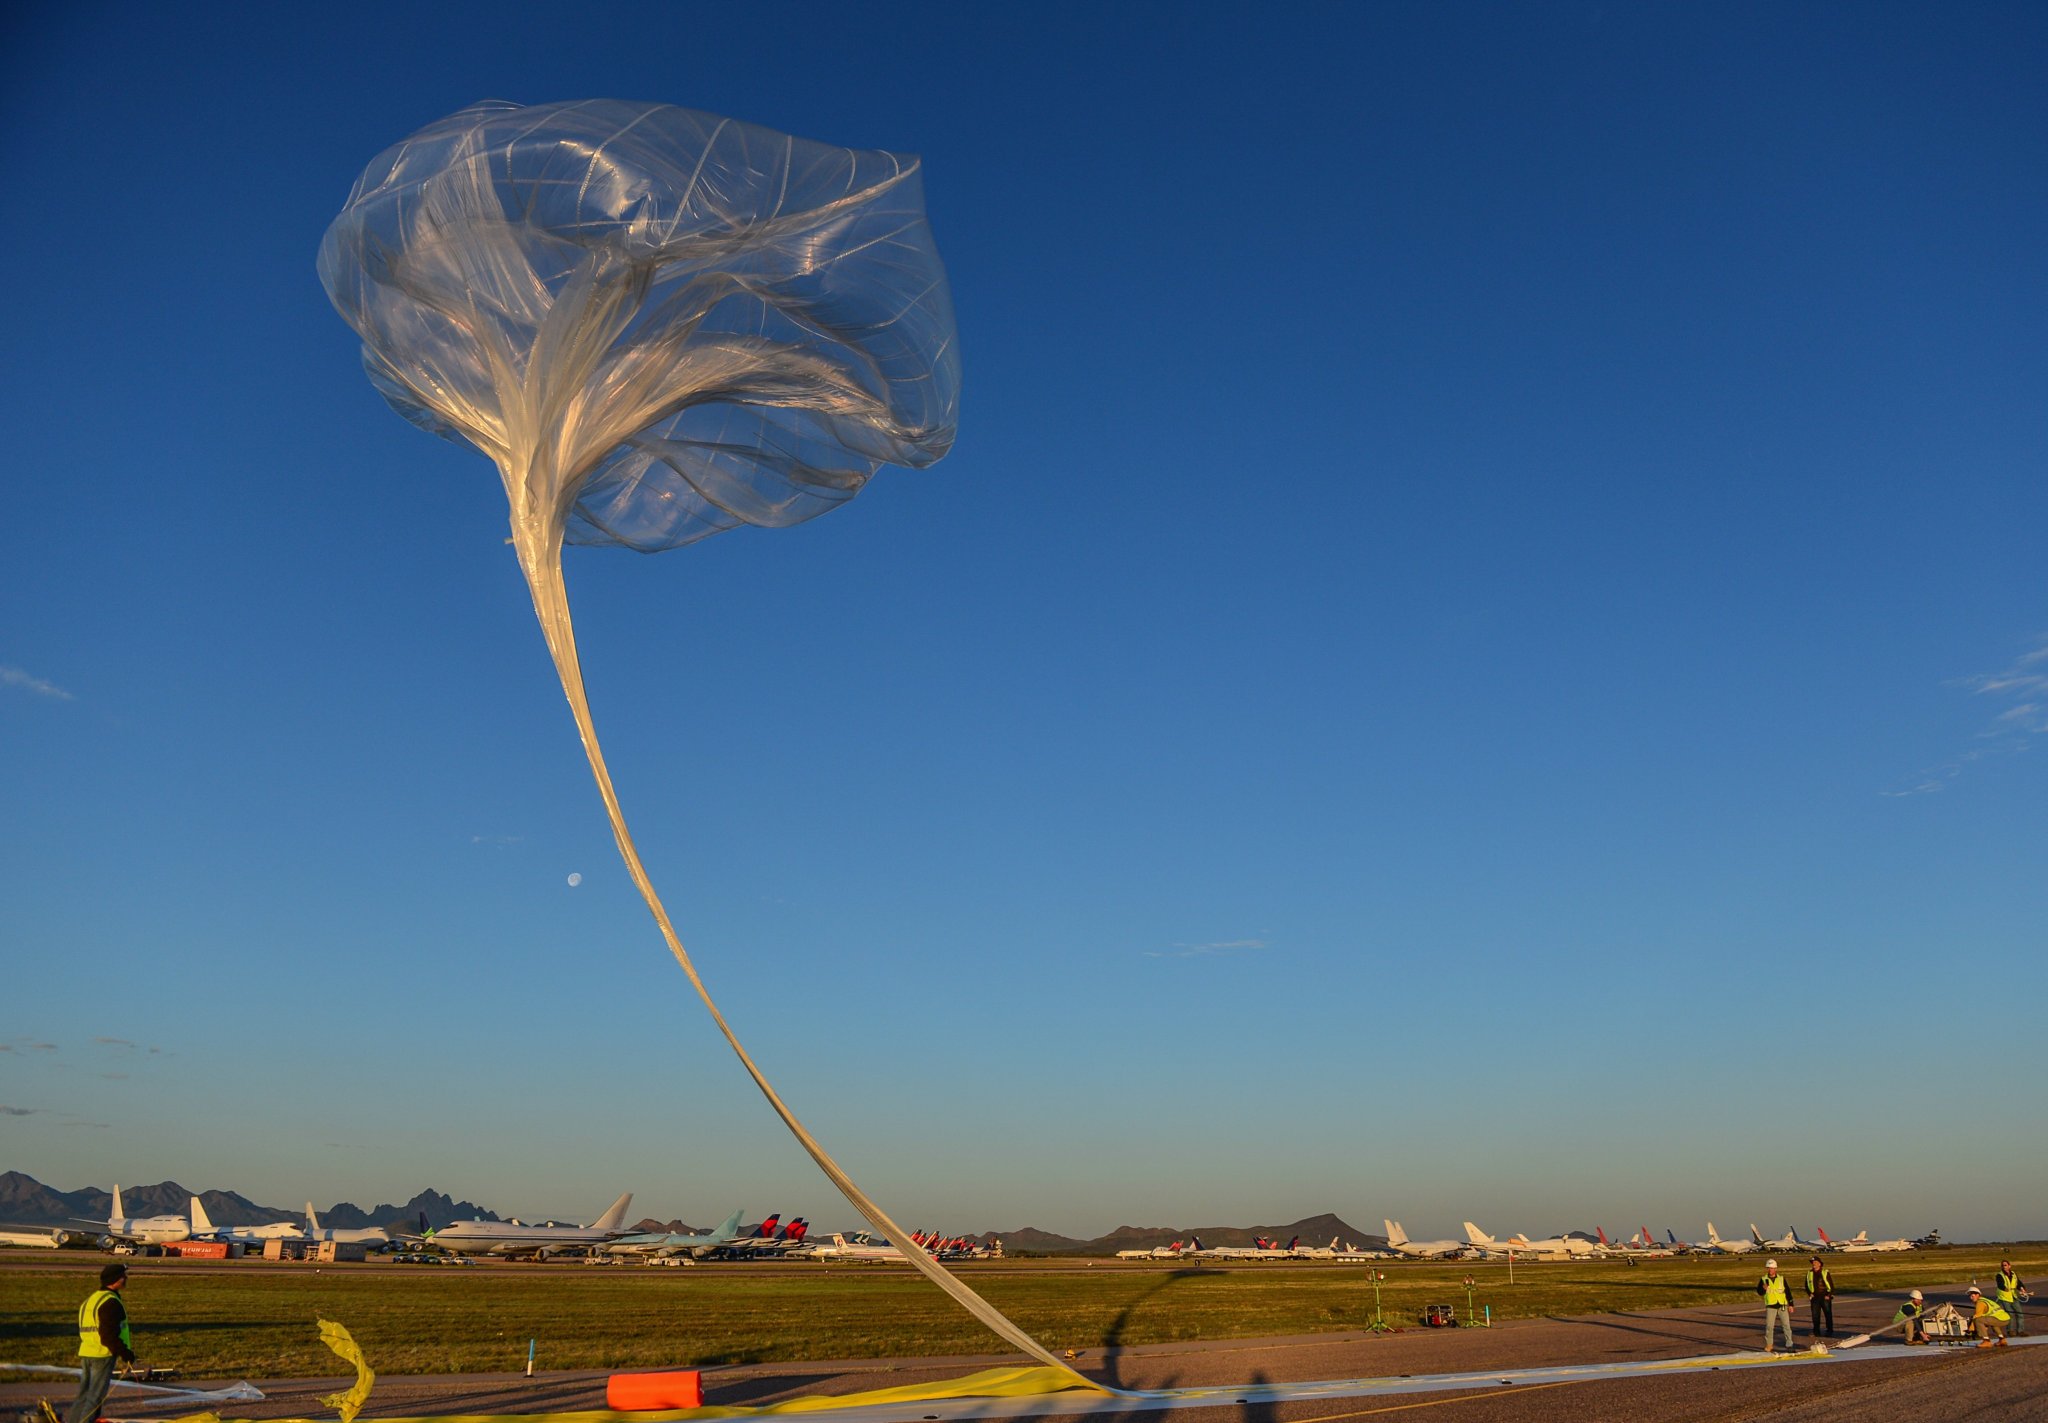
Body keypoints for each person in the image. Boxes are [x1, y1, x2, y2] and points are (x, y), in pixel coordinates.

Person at [67, 1262, 136, 1423]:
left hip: (86, 1352)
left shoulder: (92, 1299)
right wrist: (126, 1354)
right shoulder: (111, 1302)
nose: (125, 1278)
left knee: (83, 1396)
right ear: (115, 1280)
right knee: (95, 1398)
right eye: (122, 1276)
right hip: (101, 1354)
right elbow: (107, 1335)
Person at [1757, 1258, 1796, 1351]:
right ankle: (1769, 1345)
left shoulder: (1781, 1279)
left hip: (1782, 1305)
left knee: (1786, 1326)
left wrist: (1791, 1304)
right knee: (1769, 1327)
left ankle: (1789, 1344)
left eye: (1772, 1268)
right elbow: (1759, 1292)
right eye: (1769, 1268)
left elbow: (1787, 1291)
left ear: (1776, 1269)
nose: (1771, 1270)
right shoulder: (1763, 1279)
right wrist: (1764, 1289)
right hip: (1771, 1306)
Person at [1994, 1259, 2028, 1337]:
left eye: (2005, 1265)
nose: (2004, 1267)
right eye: (2002, 1265)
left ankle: (2020, 1331)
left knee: (2020, 1314)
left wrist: (2022, 1288)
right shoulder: (1999, 1275)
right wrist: (2006, 1289)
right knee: (2010, 1314)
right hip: (2005, 1297)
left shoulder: (2013, 1274)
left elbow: (2018, 1283)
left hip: (2013, 1296)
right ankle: (2010, 1331)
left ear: (2009, 1266)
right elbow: (2000, 1285)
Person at [1804, 1256, 1835, 1338]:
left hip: (1824, 1296)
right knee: (1815, 1315)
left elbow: (1831, 1285)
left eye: (1816, 1263)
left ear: (1820, 1264)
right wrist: (1809, 1293)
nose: (1814, 1264)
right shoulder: (1809, 1273)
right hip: (1815, 1297)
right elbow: (1806, 1285)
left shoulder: (1825, 1272)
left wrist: (1829, 1295)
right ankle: (1816, 1332)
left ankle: (1829, 1330)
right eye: (1813, 1263)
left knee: (1828, 1314)